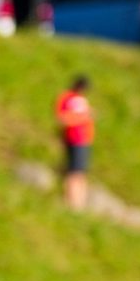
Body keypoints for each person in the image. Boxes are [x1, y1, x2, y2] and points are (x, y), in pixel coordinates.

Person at [55, 75, 94, 210]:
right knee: (74, 173)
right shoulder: (66, 97)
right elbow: (62, 118)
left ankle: (80, 204)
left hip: (84, 140)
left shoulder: (82, 99)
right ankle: (72, 204)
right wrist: (82, 117)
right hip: (73, 139)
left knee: (81, 173)